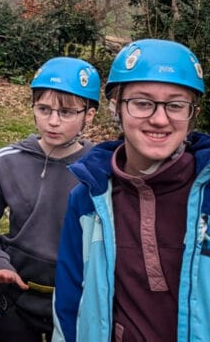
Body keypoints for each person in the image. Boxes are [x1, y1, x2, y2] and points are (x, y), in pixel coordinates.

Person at [54, 39, 210, 342]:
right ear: (116, 108)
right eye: (142, 103)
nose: (160, 119)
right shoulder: (88, 198)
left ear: (193, 114)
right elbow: (69, 302)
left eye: (176, 105)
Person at [0, 57, 100, 341]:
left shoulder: (101, 169)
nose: (53, 121)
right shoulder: (8, 161)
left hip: (77, 301)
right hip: (15, 297)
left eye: (67, 112)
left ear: (89, 114)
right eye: (44, 109)